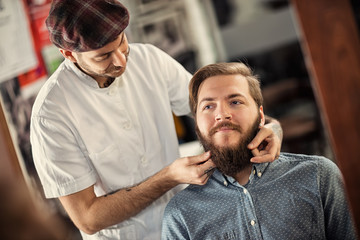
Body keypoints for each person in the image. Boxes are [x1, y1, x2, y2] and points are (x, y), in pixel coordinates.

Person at [30, 1, 283, 239]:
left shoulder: (149, 60)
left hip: (187, 227)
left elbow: (212, 109)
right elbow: (88, 218)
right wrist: (169, 177)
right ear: (69, 54)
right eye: (103, 56)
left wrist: (271, 127)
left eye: (121, 43)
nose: (120, 60)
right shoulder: (51, 116)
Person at [161, 62, 358, 240]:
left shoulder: (318, 176)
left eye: (235, 102)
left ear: (261, 116)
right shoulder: (181, 216)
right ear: (197, 125)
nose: (221, 114)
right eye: (208, 106)